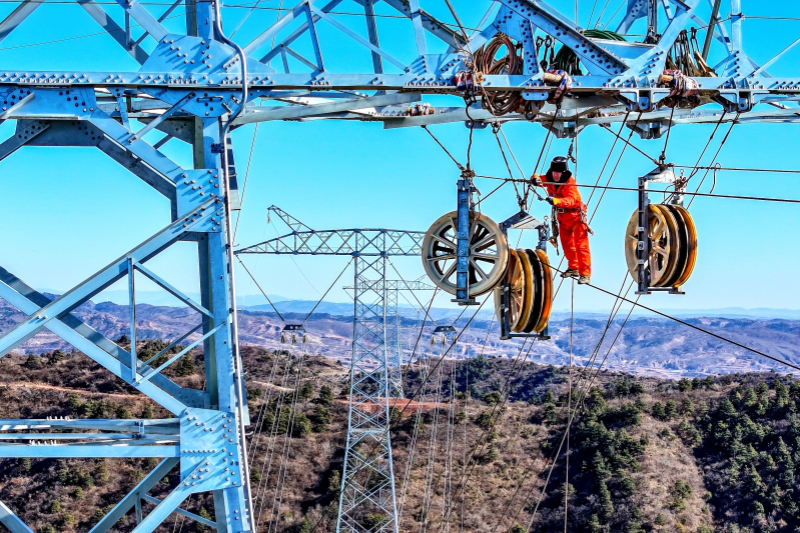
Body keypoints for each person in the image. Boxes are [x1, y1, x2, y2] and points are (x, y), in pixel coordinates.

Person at [532, 156, 592, 284]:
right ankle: (574, 267)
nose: (556, 175)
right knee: (567, 245)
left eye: (558, 173)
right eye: (554, 172)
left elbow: (573, 200)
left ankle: (585, 274)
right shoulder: (549, 178)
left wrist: (556, 201)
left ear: (563, 173)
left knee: (581, 246)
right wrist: (535, 179)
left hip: (576, 217)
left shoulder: (570, 182)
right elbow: (537, 177)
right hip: (563, 218)